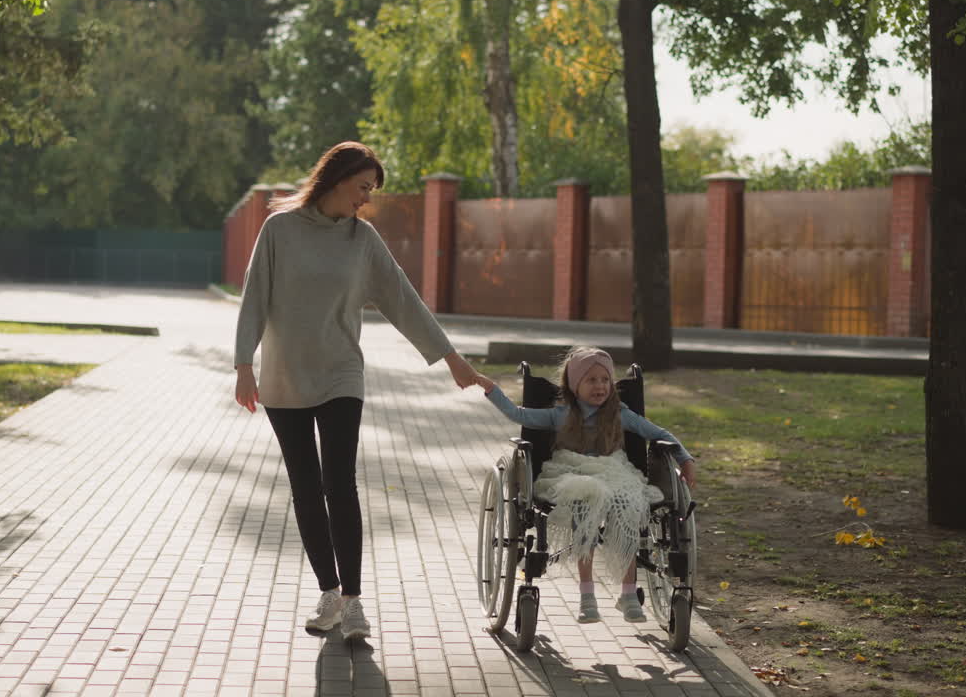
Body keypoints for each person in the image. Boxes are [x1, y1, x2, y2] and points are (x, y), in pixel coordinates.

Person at [233, 141, 479, 643]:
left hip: (342, 373)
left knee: (339, 481)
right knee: (305, 486)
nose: (366, 199)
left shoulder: (362, 240)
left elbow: (403, 300)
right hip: (283, 376)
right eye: (363, 187)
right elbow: (255, 294)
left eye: (371, 190)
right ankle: (329, 593)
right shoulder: (279, 230)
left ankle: (354, 601)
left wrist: (452, 359)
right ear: (337, 178)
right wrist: (243, 365)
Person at [473, 347, 696, 624]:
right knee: (586, 495)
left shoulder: (621, 414)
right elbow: (518, 415)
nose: (600, 386)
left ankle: (628, 594)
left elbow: (659, 434)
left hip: (613, 471)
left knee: (627, 501)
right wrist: (489, 386)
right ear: (574, 384)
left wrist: (684, 459)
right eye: (591, 380)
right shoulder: (560, 414)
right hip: (570, 471)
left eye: (605, 380)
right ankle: (587, 595)